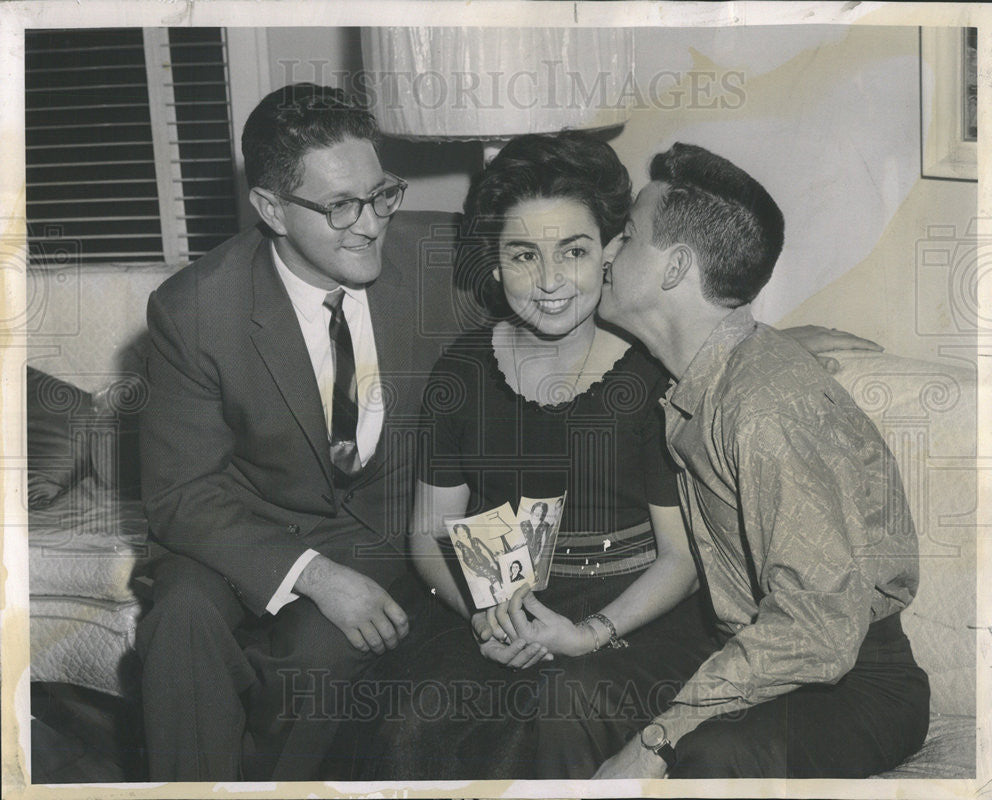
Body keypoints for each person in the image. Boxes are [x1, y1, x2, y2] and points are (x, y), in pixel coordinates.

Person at [348, 131, 879, 779]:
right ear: (493, 262)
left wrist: (592, 629)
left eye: (573, 251)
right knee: (409, 718)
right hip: (495, 601)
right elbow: (430, 532)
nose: (548, 283)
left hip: (633, 610)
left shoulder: (651, 375)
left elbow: (682, 552)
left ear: (607, 253)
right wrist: (484, 614)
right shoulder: (461, 370)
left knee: (550, 711)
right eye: (522, 255)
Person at [135, 83, 455, 781]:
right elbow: (181, 494)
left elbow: (557, 269)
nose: (370, 225)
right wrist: (312, 574)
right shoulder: (194, 310)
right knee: (180, 625)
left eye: (382, 195)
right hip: (240, 526)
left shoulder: (441, 257)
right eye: (340, 206)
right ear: (271, 210)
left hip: (377, 530)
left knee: (318, 652)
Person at [592, 143, 929, 779]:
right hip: (756, 655)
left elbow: (818, 628)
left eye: (627, 235)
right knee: (581, 693)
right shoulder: (704, 380)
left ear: (675, 268)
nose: (607, 252)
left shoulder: (767, 405)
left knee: (707, 754)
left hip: (856, 680)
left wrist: (654, 742)